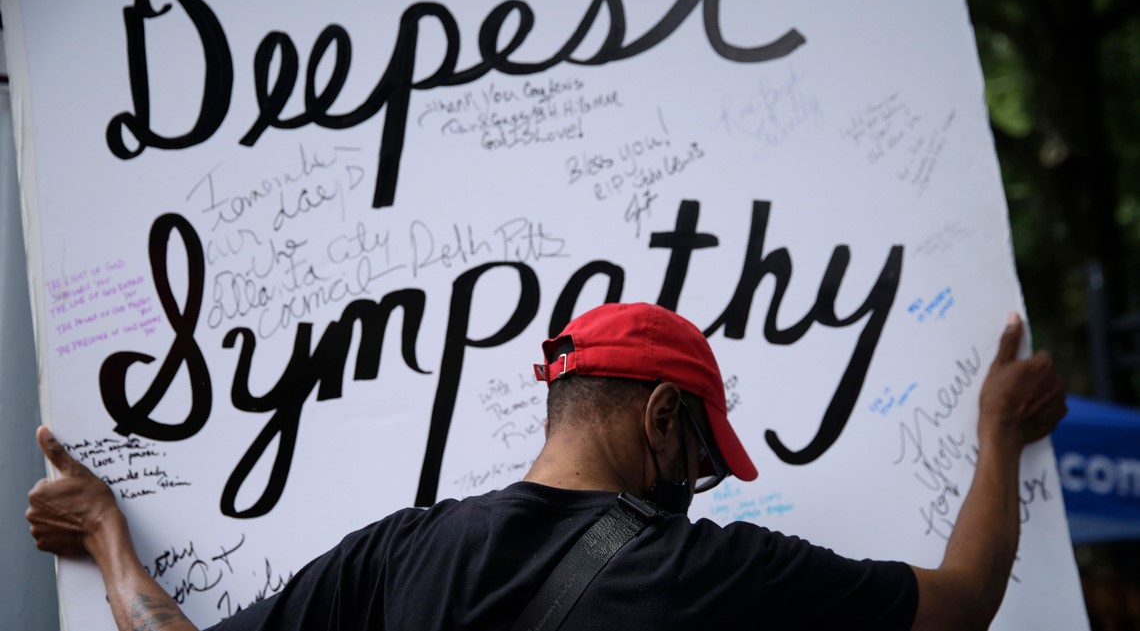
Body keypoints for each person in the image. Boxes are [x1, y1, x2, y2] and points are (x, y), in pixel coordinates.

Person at [27, 302, 1067, 630]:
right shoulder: (708, 572)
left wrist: (108, 533)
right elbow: (965, 603)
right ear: (664, 416)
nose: (700, 482)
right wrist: (997, 433)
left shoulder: (398, 553)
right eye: (704, 455)